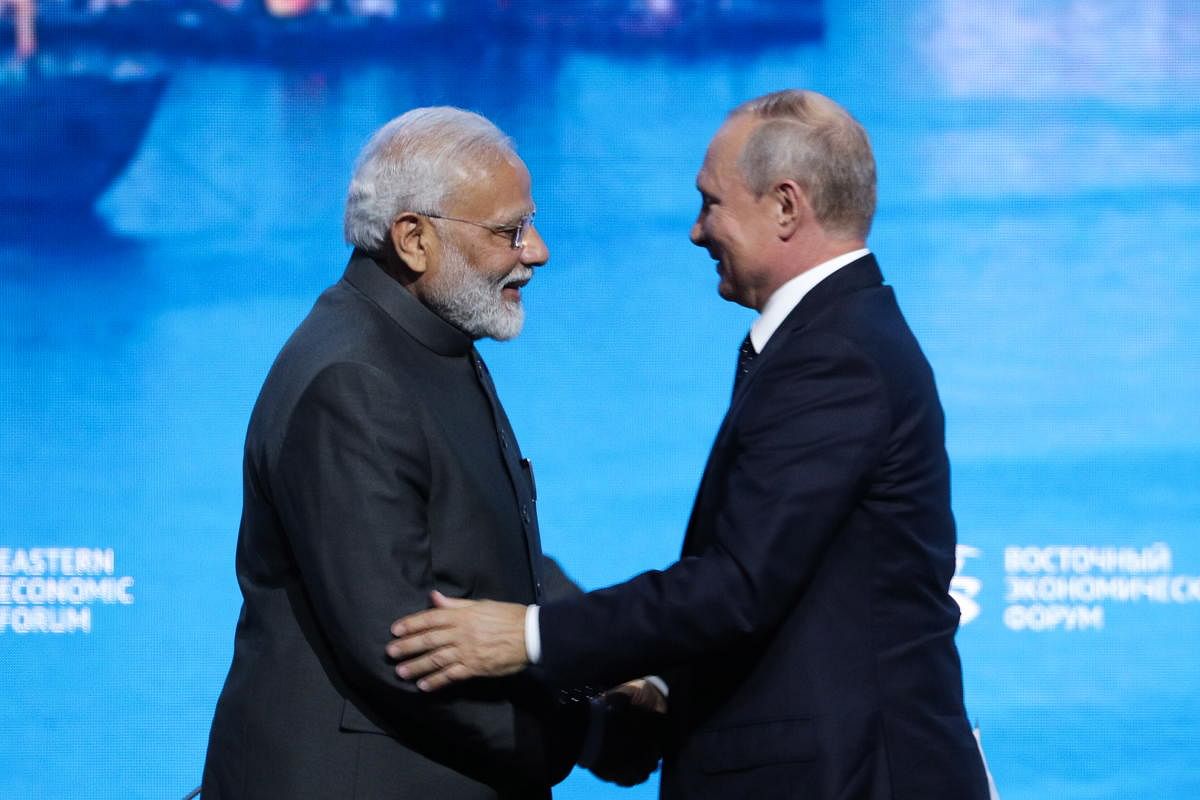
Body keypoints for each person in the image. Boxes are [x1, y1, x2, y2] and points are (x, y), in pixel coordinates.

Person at [387, 90, 993, 799]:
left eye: (711, 203)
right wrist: (664, 681)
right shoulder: (834, 341)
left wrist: (524, 637)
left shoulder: (837, 357)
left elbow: (739, 585)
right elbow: (798, 599)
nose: (696, 232)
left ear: (786, 207)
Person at [202, 107, 597, 799]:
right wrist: (573, 733)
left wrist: (606, 648)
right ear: (413, 238)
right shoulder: (354, 379)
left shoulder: (426, 338)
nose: (537, 251)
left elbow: (481, 554)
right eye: (510, 231)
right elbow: (401, 647)